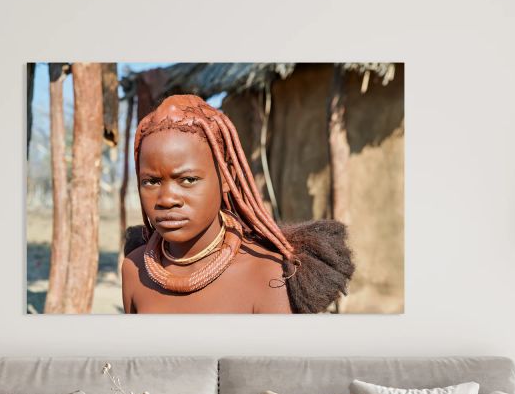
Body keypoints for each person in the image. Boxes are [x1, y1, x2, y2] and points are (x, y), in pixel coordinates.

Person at [121, 94, 354, 314]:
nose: (167, 199)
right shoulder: (135, 269)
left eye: (188, 180)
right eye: (151, 182)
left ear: (226, 178)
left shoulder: (268, 275)